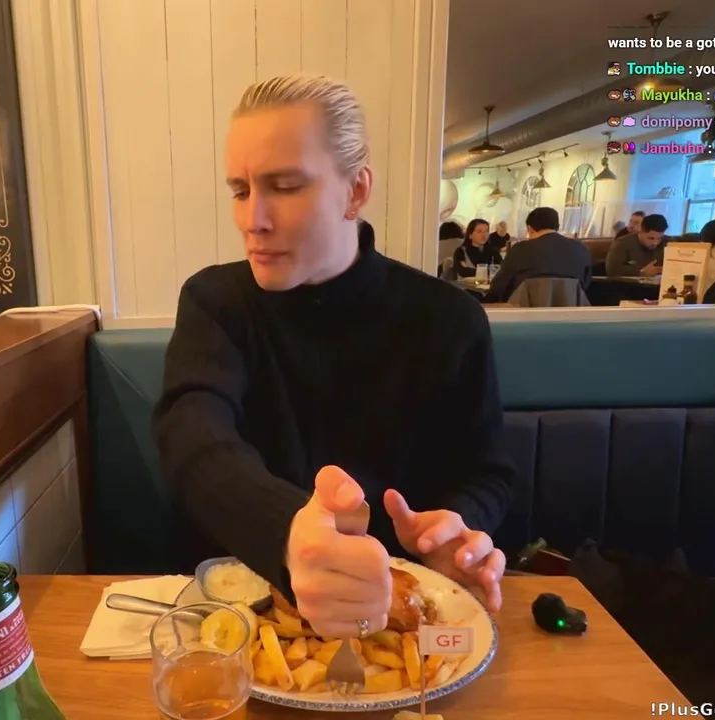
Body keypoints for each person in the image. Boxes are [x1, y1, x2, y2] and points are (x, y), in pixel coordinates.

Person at [153, 74, 513, 638]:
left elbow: (487, 471)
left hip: (401, 615)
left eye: (284, 186)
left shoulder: (448, 319)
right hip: (241, 618)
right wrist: (287, 532)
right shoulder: (215, 302)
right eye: (241, 191)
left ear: (356, 191)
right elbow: (192, 438)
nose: (252, 220)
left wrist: (456, 530)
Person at [484, 207, 592, 303]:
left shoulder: (520, 249)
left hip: (522, 314)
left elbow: (499, 285)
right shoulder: (580, 248)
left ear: (529, 229)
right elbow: (586, 284)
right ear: (557, 227)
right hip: (571, 313)